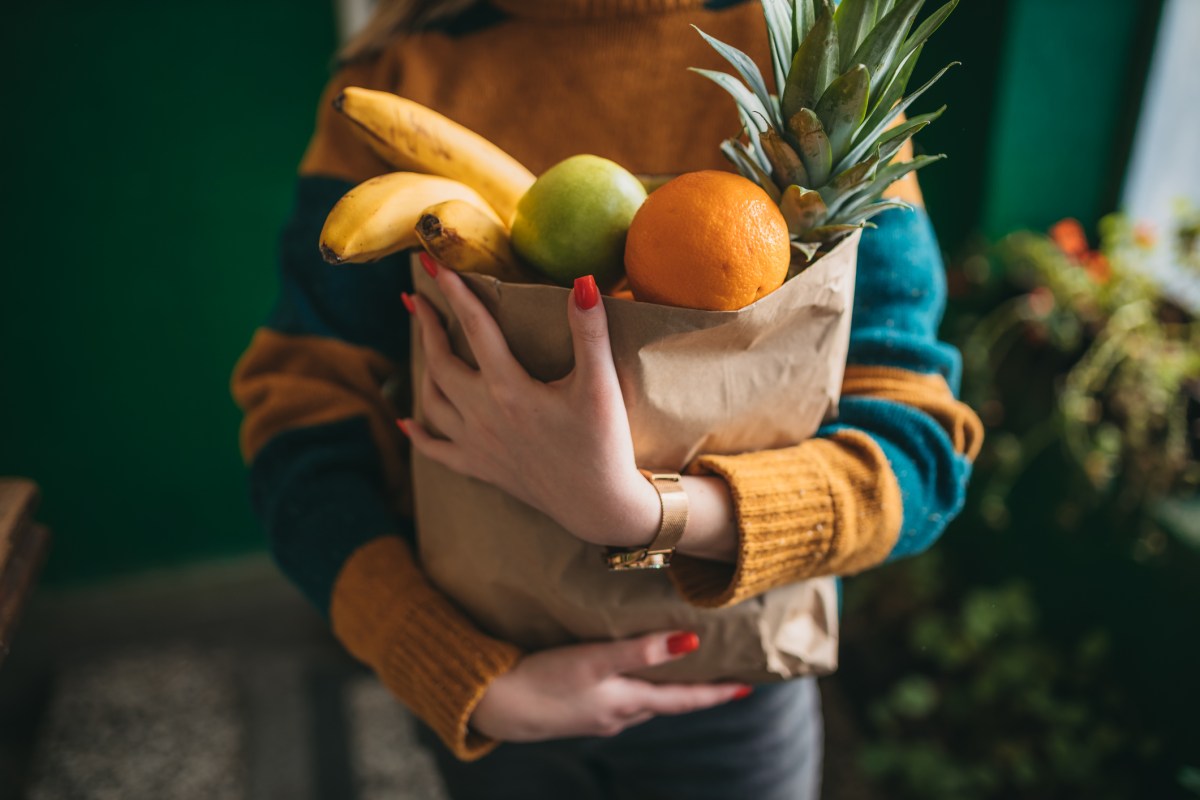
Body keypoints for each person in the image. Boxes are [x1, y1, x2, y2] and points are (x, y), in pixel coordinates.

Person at [231, 0, 984, 797]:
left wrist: (640, 513)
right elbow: (302, 419)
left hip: (731, 692)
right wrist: (447, 664)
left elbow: (918, 448)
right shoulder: (397, 78)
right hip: (497, 691)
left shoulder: (819, 75)